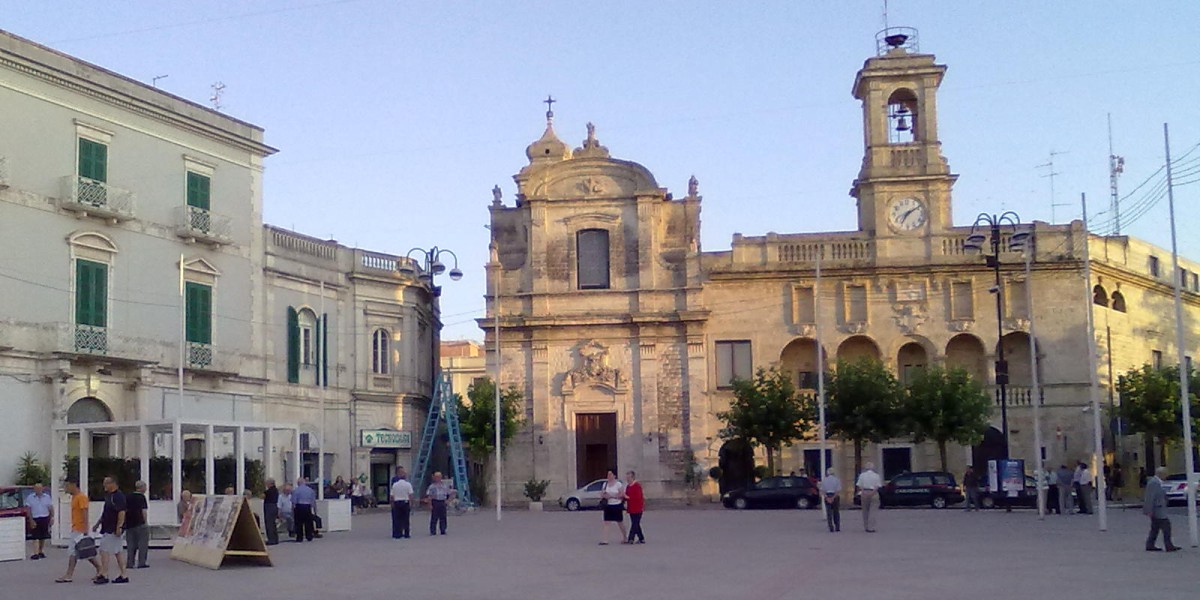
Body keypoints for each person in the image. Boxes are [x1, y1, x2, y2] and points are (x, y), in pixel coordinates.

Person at [55, 480, 101, 584]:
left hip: (80, 529)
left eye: (67, 486)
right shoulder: (74, 497)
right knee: (84, 552)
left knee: (74, 551)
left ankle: (69, 575)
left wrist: (85, 529)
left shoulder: (81, 497)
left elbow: (85, 512)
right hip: (76, 528)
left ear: (73, 485)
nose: (66, 488)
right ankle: (99, 569)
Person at [92, 476, 129, 584]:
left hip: (112, 528)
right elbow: (105, 512)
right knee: (118, 551)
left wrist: (119, 527)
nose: (104, 486)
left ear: (112, 484)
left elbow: (121, 512)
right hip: (107, 527)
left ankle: (104, 574)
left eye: (106, 484)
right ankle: (123, 574)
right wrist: (98, 523)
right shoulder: (109, 496)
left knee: (104, 550)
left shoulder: (118, 496)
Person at [1144, 466, 1181, 552]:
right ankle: (1168, 545)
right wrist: (1149, 510)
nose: (1166, 476)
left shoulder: (1157, 482)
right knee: (1166, 526)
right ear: (1161, 474)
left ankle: (1150, 544)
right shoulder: (1154, 483)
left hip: (1158, 508)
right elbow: (1150, 497)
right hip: (1158, 509)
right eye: (1165, 474)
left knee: (1155, 528)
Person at [124, 481, 149, 570]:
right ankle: (141, 562)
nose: (146, 489)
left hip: (129, 523)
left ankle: (130, 563)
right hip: (140, 523)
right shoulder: (141, 497)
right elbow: (143, 511)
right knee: (142, 543)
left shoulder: (128, 496)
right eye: (145, 487)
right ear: (142, 488)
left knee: (130, 544)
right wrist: (145, 522)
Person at [25, 482, 53, 560]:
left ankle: (40, 551)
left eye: (40, 488)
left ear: (42, 489)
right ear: (34, 489)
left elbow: (50, 508)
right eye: (36, 488)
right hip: (35, 518)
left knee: (43, 536)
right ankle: (36, 553)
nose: (38, 490)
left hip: (44, 517)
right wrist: (31, 520)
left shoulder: (47, 497)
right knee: (35, 536)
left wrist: (52, 517)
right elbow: (28, 509)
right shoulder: (30, 497)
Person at [599, 469, 627, 545]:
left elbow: (622, 494)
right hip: (608, 505)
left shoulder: (618, 484)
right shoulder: (605, 484)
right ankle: (605, 540)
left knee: (620, 522)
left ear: (614, 475)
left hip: (617, 505)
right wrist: (605, 496)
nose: (609, 476)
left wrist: (611, 496)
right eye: (608, 474)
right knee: (606, 522)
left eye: (610, 474)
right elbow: (602, 494)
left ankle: (625, 537)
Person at [424, 472, 454, 536]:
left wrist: (448, 501)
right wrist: (430, 504)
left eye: (439, 477)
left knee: (443, 517)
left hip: (442, 502)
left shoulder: (444, 486)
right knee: (434, 517)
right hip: (435, 502)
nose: (437, 478)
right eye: (436, 477)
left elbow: (451, 493)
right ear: (434, 478)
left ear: (441, 478)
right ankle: (433, 531)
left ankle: (443, 530)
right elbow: (429, 496)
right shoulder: (431, 486)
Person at [856, 463, 882, 533]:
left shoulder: (862, 475)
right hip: (873, 493)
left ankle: (866, 526)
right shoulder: (876, 476)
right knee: (873, 510)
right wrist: (873, 492)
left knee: (865, 510)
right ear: (873, 468)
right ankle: (871, 527)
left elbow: (859, 485)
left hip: (864, 493)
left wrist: (863, 491)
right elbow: (878, 486)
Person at [291, 477, 317, 542]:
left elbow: (293, 502)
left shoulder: (296, 490)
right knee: (308, 522)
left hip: (299, 506)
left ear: (298, 483)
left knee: (299, 523)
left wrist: (292, 510)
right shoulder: (310, 490)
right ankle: (309, 536)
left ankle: (299, 537)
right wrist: (315, 510)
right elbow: (313, 501)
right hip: (307, 506)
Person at [390, 472, 413, 539]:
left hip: (397, 503)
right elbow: (410, 495)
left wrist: (392, 504)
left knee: (397, 519)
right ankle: (406, 533)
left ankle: (397, 533)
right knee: (406, 519)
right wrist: (411, 503)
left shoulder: (395, 485)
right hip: (405, 502)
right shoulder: (408, 484)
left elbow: (392, 496)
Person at [625, 471, 645, 544]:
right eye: (627, 478)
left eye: (629, 477)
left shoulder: (637, 486)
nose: (627, 479)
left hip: (638, 508)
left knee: (634, 523)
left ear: (632, 477)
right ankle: (641, 538)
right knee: (636, 523)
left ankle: (631, 538)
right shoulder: (628, 486)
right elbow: (626, 496)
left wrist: (628, 497)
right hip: (631, 508)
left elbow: (638, 497)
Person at [821, 468, 841, 532]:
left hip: (827, 495)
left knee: (829, 513)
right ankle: (837, 526)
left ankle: (831, 527)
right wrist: (833, 497)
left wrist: (827, 497)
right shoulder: (837, 480)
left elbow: (822, 491)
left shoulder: (824, 480)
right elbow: (838, 490)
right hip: (835, 496)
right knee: (836, 512)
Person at [262, 478, 280, 545]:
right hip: (274, 507)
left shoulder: (269, 491)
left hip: (269, 507)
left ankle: (271, 539)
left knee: (269, 524)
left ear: (270, 484)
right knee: (273, 524)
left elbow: (262, 496)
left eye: (267, 483)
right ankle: (275, 539)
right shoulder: (276, 490)